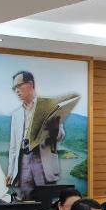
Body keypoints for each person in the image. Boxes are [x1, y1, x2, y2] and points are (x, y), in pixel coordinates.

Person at [6, 71, 64, 200]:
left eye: (19, 86)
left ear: (31, 84)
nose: (16, 91)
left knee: (46, 201)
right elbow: (13, 147)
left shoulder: (49, 107)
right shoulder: (16, 114)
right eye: (14, 88)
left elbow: (60, 136)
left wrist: (54, 129)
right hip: (23, 160)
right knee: (26, 201)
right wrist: (11, 171)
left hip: (43, 161)